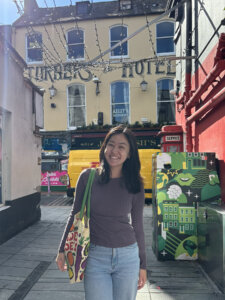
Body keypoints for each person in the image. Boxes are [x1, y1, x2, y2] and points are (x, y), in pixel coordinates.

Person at [56, 125, 147, 300]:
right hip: (95, 256)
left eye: (122, 147)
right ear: (104, 147)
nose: (115, 150)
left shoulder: (136, 184)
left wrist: (143, 265)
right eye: (111, 144)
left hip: (128, 257)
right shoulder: (88, 177)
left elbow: (138, 226)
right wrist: (62, 249)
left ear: (129, 154)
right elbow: (75, 214)